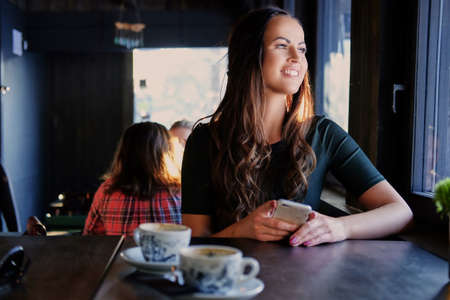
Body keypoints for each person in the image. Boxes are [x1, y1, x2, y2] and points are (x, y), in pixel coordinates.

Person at [181, 7, 413, 247]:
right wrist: (242, 230)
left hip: (303, 282)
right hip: (230, 280)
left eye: (301, 49)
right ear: (250, 54)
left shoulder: (323, 134)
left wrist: (339, 227)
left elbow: (400, 213)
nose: (297, 57)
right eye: (282, 46)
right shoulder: (204, 140)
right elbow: (195, 242)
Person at [83, 122, 182, 236]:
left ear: (124, 152)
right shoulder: (179, 192)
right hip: (169, 254)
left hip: (121, 253)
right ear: (167, 151)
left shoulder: (106, 191)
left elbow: (90, 236)